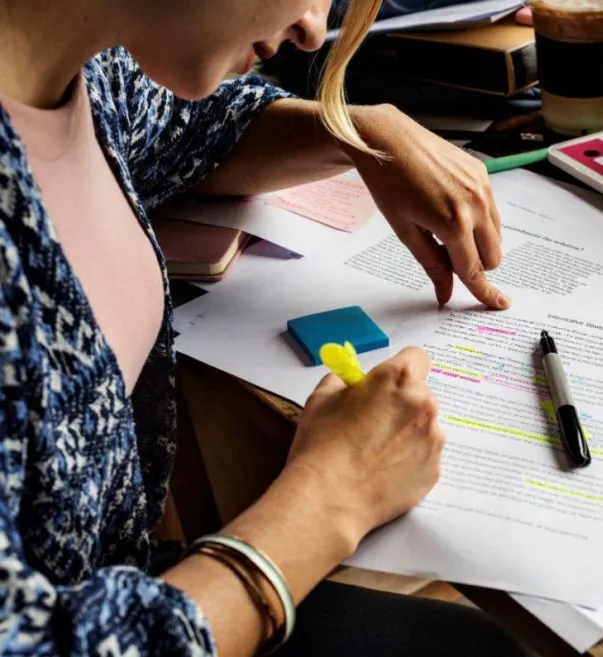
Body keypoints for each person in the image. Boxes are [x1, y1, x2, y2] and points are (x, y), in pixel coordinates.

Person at [0, 0, 534, 654]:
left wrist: (360, 135)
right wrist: (331, 498)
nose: (313, 29)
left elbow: (183, 128)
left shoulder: (85, 66)